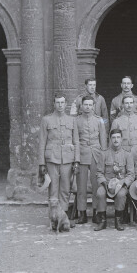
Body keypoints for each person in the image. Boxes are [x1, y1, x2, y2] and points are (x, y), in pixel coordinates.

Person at [38, 94, 80, 231]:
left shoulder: (72, 120)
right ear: (54, 104)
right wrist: (42, 163)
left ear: (66, 104)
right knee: (53, 189)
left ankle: (64, 218)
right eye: (57, 102)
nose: (60, 105)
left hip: (67, 159)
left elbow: (76, 141)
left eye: (62, 102)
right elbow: (42, 142)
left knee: (65, 189)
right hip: (52, 158)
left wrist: (76, 161)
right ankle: (53, 218)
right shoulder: (46, 120)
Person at [93, 128, 135, 231]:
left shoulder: (127, 154)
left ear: (121, 139)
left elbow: (131, 174)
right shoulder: (104, 154)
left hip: (121, 184)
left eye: (118, 137)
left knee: (121, 195)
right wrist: (104, 183)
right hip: (107, 184)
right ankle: (102, 221)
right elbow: (99, 172)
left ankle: (118, 220)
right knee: (100, 193)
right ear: (110, 139)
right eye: (113, 138)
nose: (116, 140)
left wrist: (123, 183)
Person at [75, 95, 107, 224]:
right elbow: (75, 140)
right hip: (82, 154)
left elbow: (103, 139)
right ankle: (82, 213)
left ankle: (96, 212)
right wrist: (76, 159)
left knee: (96, 185)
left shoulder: (99, 120)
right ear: (81, 106)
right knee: (81, 187)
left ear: (93, 106)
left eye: (90, 105)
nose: (88, 107)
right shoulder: (76, 121)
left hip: (96, 154)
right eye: (85, 105)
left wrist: (103, 156)